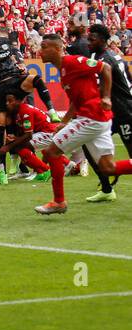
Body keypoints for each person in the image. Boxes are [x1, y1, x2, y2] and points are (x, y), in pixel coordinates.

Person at [31, 34, 132, 215]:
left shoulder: (72, 61)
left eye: (44, 46)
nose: (40, 50)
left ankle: (59, 202)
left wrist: (107, 97)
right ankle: (59, 201)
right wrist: (64, 122)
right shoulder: (62, 70)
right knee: (108, 168)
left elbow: (106, 68)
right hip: (97, 119)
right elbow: (76, 100)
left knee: (52, 152)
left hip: (92, 118)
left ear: (57, 48)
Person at [0, 20, 58, 185]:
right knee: (0, 128)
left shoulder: (5, 42)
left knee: (36, 79)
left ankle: (51, 111)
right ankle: (1, 170)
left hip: (15, 80)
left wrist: (21, 65)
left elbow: (18, 55)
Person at [83, 24, 132, 203]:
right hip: (113, 113)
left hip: (124, 112)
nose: (89, 42)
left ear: (102, 40)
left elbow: (98, 88)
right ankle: (106, 188)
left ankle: (110, 175)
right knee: (87, 141)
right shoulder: (114, 55)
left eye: (92, 39)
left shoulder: (104, 59)